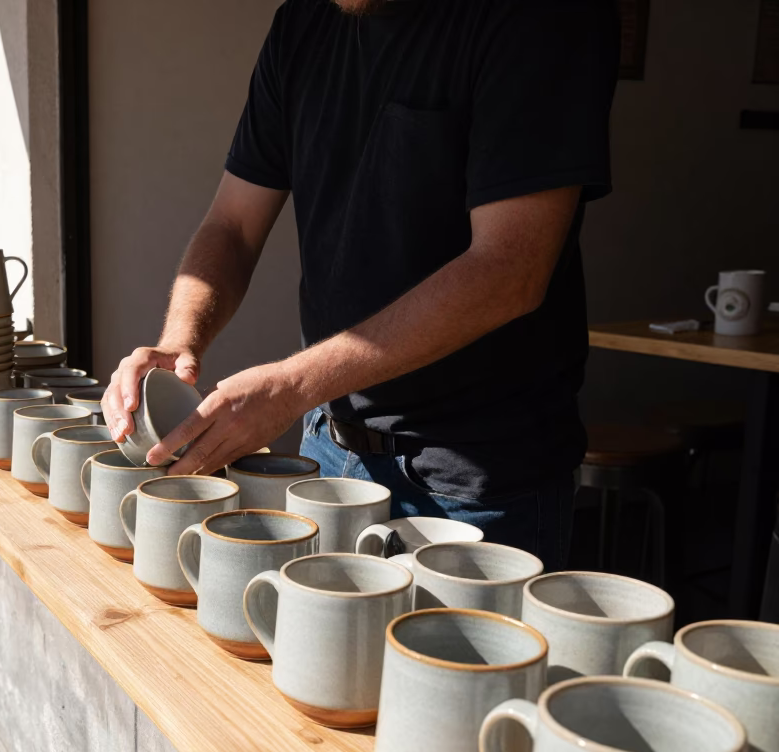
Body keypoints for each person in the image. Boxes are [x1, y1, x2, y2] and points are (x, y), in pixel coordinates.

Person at [102, 0, 620, 567]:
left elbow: (509, 271)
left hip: (474, 478)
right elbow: (232, 224)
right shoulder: (302, 24)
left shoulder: (541, 18)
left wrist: (292, 386)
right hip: (328, 446)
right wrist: (181, 341)